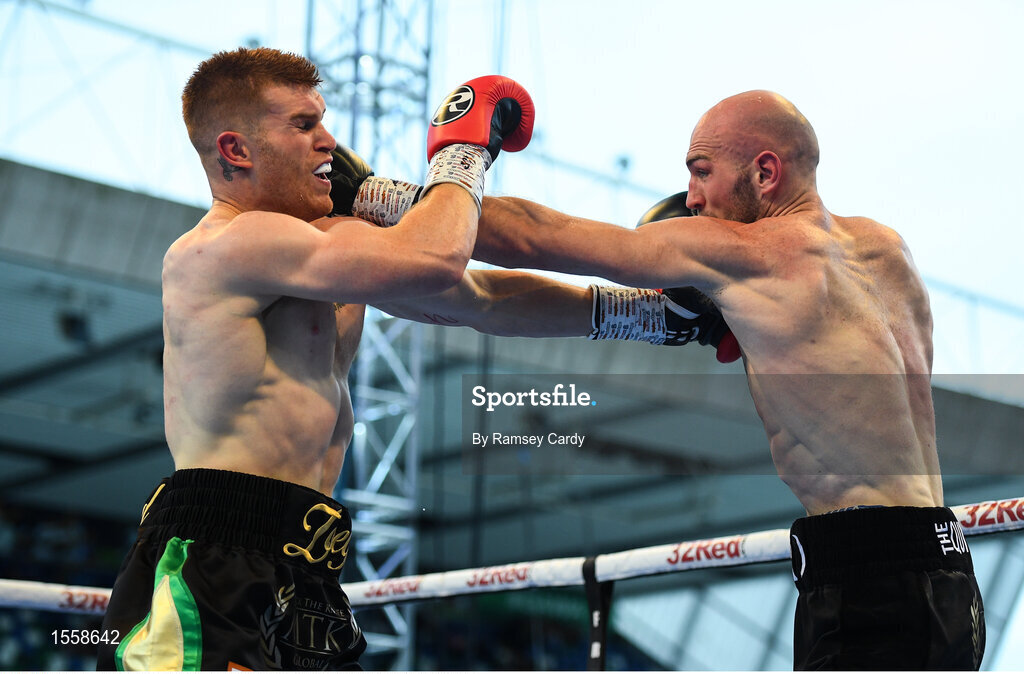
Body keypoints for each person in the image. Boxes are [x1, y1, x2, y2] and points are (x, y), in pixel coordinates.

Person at [361, 89, 986, 669]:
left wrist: (374, 194)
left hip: (866, 578)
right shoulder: (886, 249)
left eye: (701, 170)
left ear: (765, 173)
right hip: (951, 570)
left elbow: (539, 237)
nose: (690, 196)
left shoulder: (748, 255)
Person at [96, 46, 533, 671]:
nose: (329, 142)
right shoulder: (232, 242)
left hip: (308, 566)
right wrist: (461, 154)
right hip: (215, 560)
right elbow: (441, 258)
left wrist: (639, 313)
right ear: (236, 150)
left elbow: (481, 299)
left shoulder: (335, 252)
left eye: (323, 121)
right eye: (304, 126)